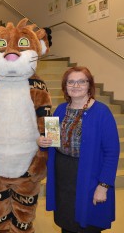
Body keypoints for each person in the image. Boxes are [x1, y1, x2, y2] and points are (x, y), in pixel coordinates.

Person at [39, 66, 120, 233]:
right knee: (66, 220)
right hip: (63, 175)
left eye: (81, 81)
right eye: (71, 82)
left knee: (87, 223)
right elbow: (52, 141)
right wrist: (42, 141)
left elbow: (112, 153)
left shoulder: (101, 112)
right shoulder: (61, 109)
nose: (75, 86)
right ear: (65, 86)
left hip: (89, 175)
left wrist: (103, 185)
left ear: (89, 85)